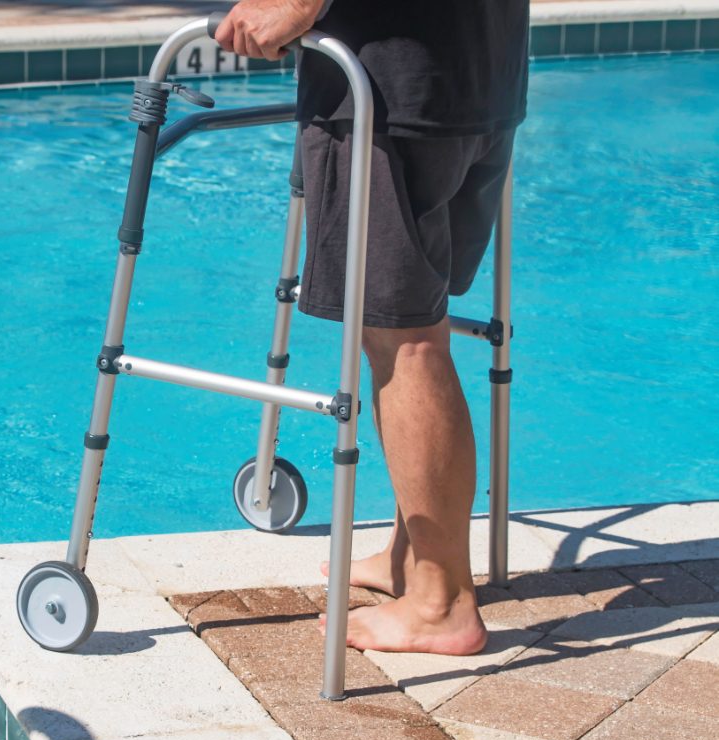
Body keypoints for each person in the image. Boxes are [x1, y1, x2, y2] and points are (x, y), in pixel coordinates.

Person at [214, 0, 529, 655]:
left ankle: (440, 602)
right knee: (414, 326)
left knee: (403, 341)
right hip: (479, 72)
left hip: (386, 91)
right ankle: (411, 560)